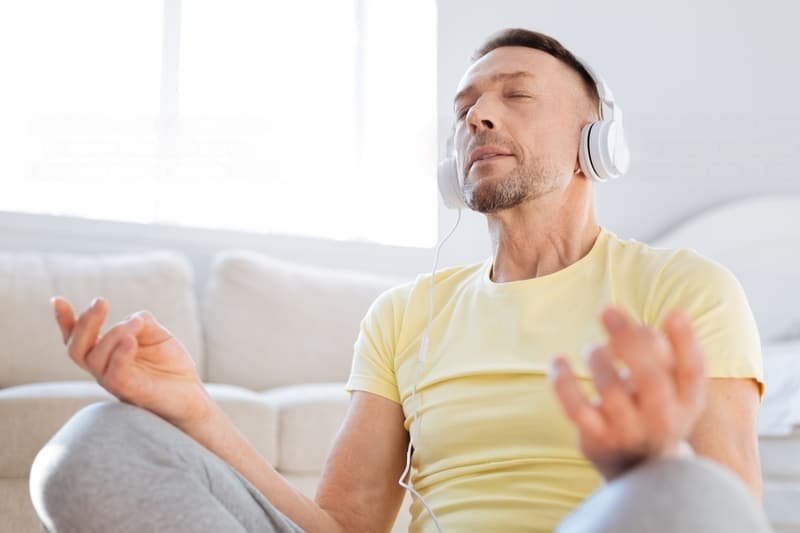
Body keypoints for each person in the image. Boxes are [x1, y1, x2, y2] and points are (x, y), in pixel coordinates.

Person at [31, 28, 772, 533]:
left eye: (515, 95)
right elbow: (341, 527)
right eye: (466, 108)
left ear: (596, 144)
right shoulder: (406, 313)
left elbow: (729, 506)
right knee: (97, 445)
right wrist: (194, 411)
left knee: (691, 495)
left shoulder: (685, 290)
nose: (479, 115)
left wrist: (654, 463)